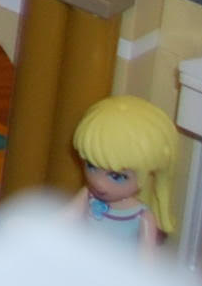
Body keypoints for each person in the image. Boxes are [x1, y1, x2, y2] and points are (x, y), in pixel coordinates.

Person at [68, 94, 182, 253]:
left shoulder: (142, 216)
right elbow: (63, 222)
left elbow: (146, 261)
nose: (99, 183)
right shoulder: (87, 195)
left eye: (116, 176)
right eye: (91, 166)